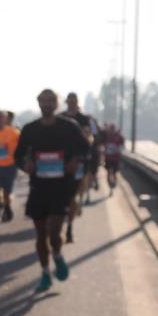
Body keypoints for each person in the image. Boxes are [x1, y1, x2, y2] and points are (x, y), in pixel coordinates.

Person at [14, 89, 88, 293]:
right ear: (38, 103)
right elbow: (18, 155)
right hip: (38, 186)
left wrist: (76, 161)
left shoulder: (69, 127)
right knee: (40, 234)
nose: (46, 104)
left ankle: (57, 254)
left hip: (61, 186)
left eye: (50, 100)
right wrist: (24, 165)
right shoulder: (30, 129)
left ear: (56, 104)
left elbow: (86, 148)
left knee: (53, 231)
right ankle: (45, 273)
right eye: (43, 100)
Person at [59, 92, 93, 244]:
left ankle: (69, 227)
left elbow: (88, 137)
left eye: (74, 101)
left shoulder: (84, 119)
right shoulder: (60, 118)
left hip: (78, 160)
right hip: (59, 162)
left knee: (74, 194)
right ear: (66, 102)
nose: (72, 103)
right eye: (69, 100)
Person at [101, 122, 125, 195]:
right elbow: (102, 144)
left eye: (113, 129)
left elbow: (122, 145)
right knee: (108, 172)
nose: (111, 131)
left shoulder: (119, 136)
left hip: (115, 158)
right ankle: (110, 186)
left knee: (114, 173)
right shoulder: (106, 136)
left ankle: (114, 183)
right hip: (108, 158)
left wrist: (118, 149)